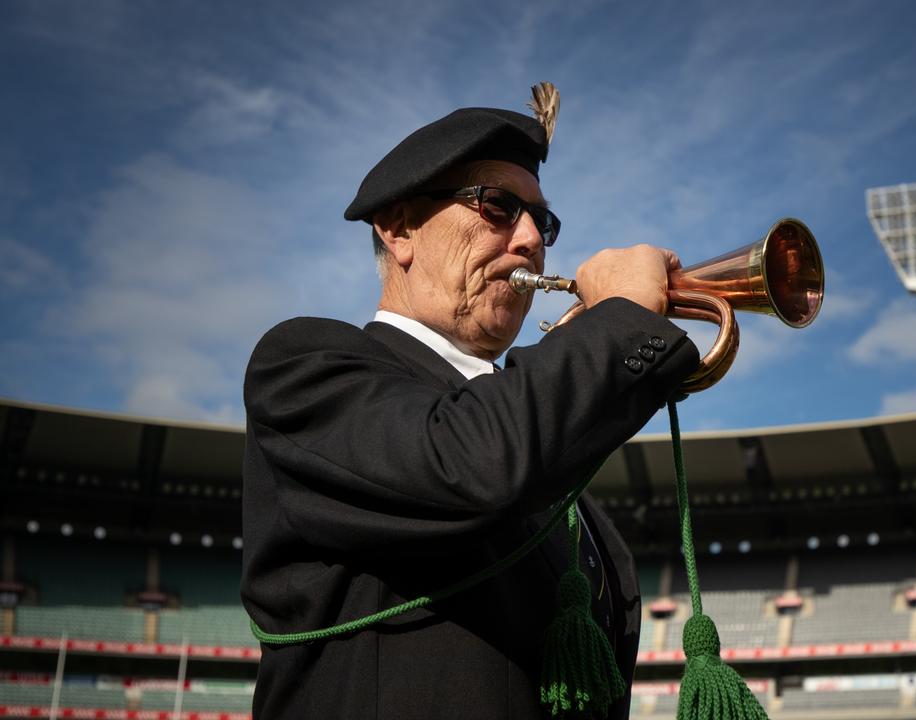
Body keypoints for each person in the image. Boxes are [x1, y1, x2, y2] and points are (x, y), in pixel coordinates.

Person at [240, 87, 699, 720]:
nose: (533, 239)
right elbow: (468, 465)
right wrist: (615, 322)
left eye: (544, 221)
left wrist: (592, 349)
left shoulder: (548, 458)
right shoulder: (302, 364)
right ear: (399, 229)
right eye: (499, 206)